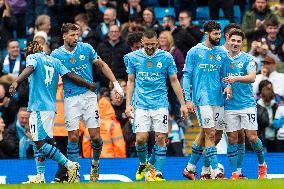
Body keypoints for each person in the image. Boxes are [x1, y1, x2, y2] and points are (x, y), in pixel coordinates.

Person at [9, 41, 97, 183]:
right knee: (37, 140)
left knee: (39, 143)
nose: (25, 54)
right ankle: (41, 176)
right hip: (50, 107)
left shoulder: (33, 57)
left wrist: (16, 81)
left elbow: (30, 68)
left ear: (31, 50)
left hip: (39, 107)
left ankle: (70, 164)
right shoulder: (54, 61)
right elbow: (70, 75)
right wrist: (88, 84)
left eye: (26, 51)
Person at [51, 23, 124, 182]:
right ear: (64, 36)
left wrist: (116, 83)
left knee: (96, 137)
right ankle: (74, 173)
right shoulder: (56, 55)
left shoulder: (86, 48)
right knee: (72, 138)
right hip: (70, 98)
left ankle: (95, 164)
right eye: (72, 35)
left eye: (77, 35)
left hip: (90, 97)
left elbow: (102, 64)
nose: (75, 38)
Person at [124, 30, 188, 181]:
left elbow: (174, 80)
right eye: (146, 44)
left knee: (161, 138)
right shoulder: (133, 58)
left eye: (153, 44)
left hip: (160, 103)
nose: (150, 47)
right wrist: (128, 105)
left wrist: (183, 104)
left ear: (157, 42)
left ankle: (158, 172)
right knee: (140, 139)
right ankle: (143, 163)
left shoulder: (166, 57)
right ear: (142, 42)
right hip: (140, 104)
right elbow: (131, 81)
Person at [182, 21, 231, 180]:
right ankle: (216, 171)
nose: (218, 37)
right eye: (215, 34)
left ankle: (192, 168)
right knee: (209, 132)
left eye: (219, 33)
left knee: (213, 135)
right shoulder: (194, 52)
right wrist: (188, 100)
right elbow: (187, 75)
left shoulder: (222, 53)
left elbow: (224, 76)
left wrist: (227, 87)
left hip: (218, 99)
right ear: (207, 33)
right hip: (201, 99)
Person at [223, 29, 267, 179]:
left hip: (247, 104)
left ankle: (262, 165)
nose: (235, 43)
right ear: (228, 40)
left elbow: (252, 77)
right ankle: (236, 172)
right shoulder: (222, 59)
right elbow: (221, 79)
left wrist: (234, 79)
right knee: (232, 139)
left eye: (238, 41)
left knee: (252, 137)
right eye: (233, 40)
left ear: (242, 43)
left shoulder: (248, 59)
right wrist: (226, 86)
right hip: (229, 105)